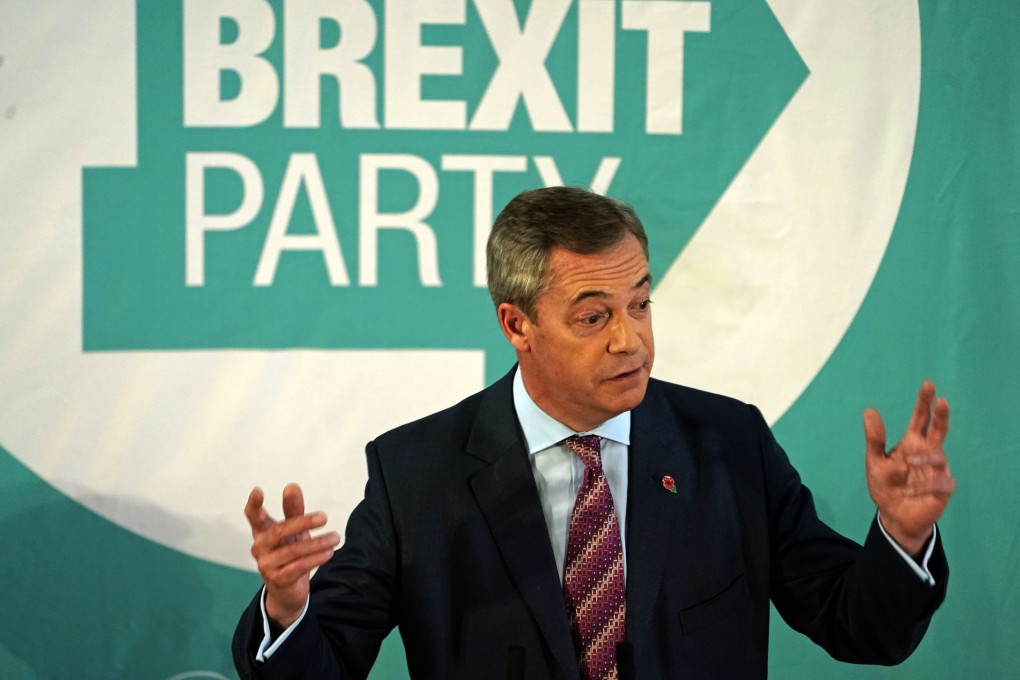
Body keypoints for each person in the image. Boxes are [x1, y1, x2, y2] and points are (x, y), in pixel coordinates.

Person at [233, 187, 955, 679]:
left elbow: (865, 628)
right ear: (517, 324)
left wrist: (901, 537)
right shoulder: (416, 474)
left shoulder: (728, 444)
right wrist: (287, 610)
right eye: (593, 316)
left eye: (639, 305)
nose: (630, 340)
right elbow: (321, 664)